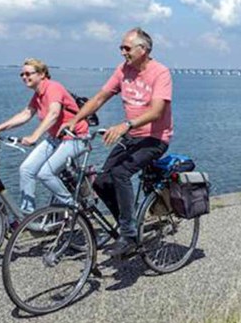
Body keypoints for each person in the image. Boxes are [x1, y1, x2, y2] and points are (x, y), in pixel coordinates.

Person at [61, 27, 172, 257]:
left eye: (127, 48)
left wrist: (126, 125)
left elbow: (157, 111)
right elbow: (100, 97)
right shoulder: (123, 70)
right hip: (131, 138)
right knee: (101, 182)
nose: (122, 52)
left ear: (143, 49)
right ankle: (126, 224)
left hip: (154, 139)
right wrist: (75, 119)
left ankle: (129, 236)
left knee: (120, 173)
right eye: (121, 47)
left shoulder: (160, 73)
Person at [0, 58, 89, 218]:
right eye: (22, 74)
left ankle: (74, 208)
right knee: (26, 169)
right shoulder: (38, 94)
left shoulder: (53, 88)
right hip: (56, 138)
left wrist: (35, 135)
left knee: (45, 173)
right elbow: (26, 114)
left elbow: (54, 113)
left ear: (42, 74)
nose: (24, 77)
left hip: (76, 138)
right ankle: (28, 217)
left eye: (28, 73)